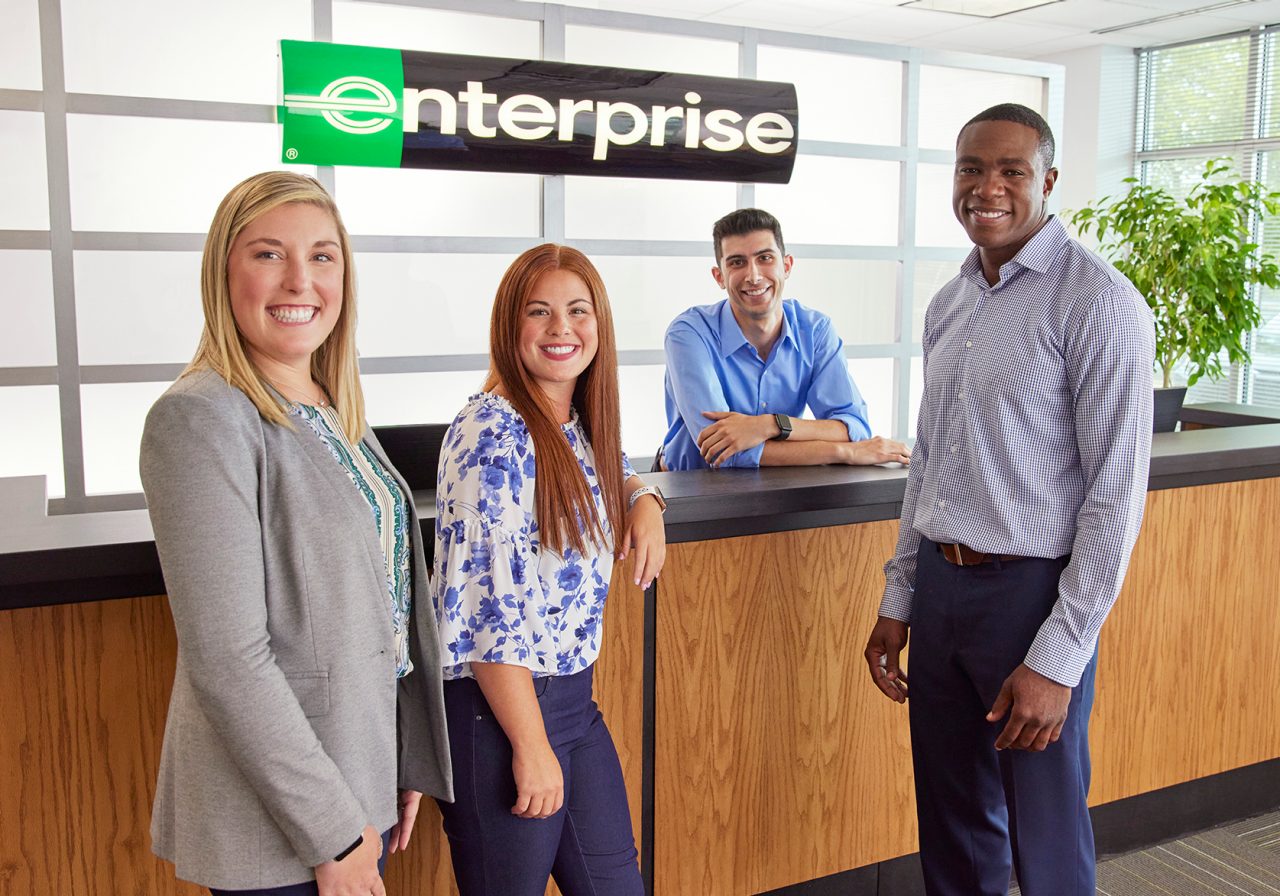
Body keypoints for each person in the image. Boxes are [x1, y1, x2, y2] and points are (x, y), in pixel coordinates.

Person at [863, 104, 1155, 895]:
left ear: (1047, 181)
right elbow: (930, 462)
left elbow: (1115, 498)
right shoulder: (951, 302)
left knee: (1044, 837)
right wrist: (902, 597)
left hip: (1031, 598)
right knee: (953, 827)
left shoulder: (1098, 302)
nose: (986, 188)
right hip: (942, 588)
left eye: (1010, 171)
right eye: (971, 169)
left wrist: (1058, 661)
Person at [140, 171, 452, 896]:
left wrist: (394, 754)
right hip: (285, 824)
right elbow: (229, 660)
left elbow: (378, 606)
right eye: (268, 254)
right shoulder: (200, 417)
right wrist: (333, 830)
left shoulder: (330, 403)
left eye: (321, 256)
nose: (299, 281)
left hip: (356, 779)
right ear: (223, 273)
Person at [432, 243, 665, 896]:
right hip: (500, 713)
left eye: (577, 310)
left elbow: (607, 469)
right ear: (510, 326)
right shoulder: (492, 432)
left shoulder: (576, 423)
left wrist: (646, 497)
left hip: (572, 702)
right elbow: (487, 613)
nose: (562, 328)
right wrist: (530, 747)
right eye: (539, 312)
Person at [659, 207, 911, 470]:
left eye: (765, 258)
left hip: (781, 484)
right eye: (737, 262)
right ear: (719, 277)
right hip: (692, 488)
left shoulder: (815, 330)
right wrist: (845, 452)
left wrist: (770, 425)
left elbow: (853, 426)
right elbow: (722, 451)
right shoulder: (689, 333)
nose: (754, 276)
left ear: (787, 265)